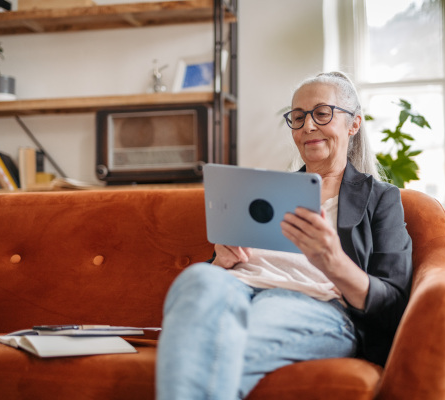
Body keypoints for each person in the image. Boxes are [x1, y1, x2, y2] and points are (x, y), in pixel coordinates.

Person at [156, 71, 413, 400]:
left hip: (311, 302)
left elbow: (393, 302)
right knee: (199, 278)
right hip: (235, 286)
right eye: (297, 117)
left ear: (354, 124)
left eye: (322, 113)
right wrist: (221, 261)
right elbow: (221, 269)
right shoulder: (264, 192)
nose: (308, 126)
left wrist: (333, 262)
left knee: (209, 349)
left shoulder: (380, 199)